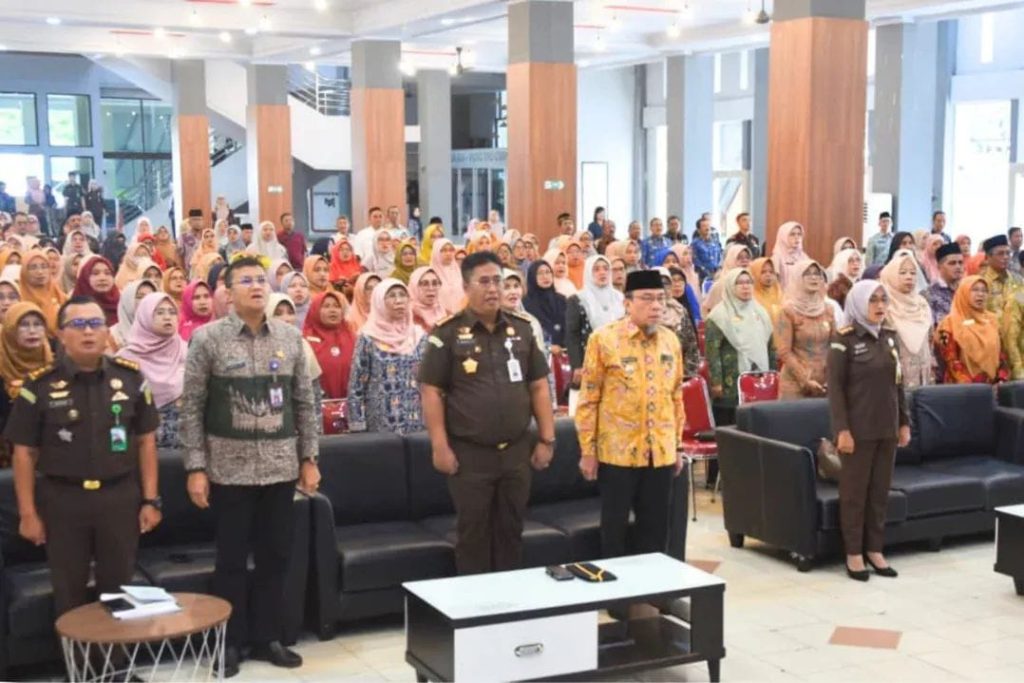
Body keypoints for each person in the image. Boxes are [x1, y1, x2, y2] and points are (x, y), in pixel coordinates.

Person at [180, 257, 319, 677]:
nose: (257, 286)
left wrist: (309, 458)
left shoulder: (290, 337)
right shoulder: (208, 339)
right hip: (229, 470)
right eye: (246, 280)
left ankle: (267, 636)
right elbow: (192, 408)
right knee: (231, 561)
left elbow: (305, 403)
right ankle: (230, 641)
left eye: (261, 279)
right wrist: (195, 467)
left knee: (276, 557)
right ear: (227, 291)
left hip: (280, 468)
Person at [5, 296, 161, 617]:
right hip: (63, 501)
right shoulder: (39, 385)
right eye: (78, 324)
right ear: (61, 335)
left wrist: (150, 500)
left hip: (119, 498)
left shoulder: (131, 378)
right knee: (69, 592)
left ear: (106, 331)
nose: (88, 331)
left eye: (95, 323)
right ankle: (73, 653)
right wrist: (28, 513)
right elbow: (24, 453)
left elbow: (146, 442)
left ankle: (115, 653)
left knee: (119, 592)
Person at [418, 252, 554, 574]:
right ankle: (475, 603)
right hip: (470, 455)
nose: (493, 289)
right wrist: (439, 446)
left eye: (497, 281)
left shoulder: (522, 329)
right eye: (484, 282)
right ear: (466, 287)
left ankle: (509, 601)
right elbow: (431, 392)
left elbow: (538, 386)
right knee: (473, 536)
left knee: (511, 531)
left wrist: (547, 439)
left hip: (517, 451)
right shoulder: (447, 333)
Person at [575, 269, 685, 559]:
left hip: (659, 451)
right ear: (627, 303)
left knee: (656, 532)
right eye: (647, 299)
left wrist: (677, 446)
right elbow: (588, 400)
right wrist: (588, 450)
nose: (656, 306)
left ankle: (652, 586)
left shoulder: (670, 341)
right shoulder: (604, 340)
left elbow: (676, 396)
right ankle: (616, 588)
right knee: (615, 531)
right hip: (618, 453)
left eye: (660, 299)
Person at [829, 280, 911, 581]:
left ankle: (875, 549)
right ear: (858, 303)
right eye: (872, 300)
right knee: (854, 494)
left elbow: (898, 384)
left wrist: (904, 422)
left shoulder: (889, 337)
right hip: (857, 430)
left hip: (887, 427)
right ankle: (853, 553)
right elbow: (835, 390)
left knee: (879, 492)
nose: (879, 306)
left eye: (883, 300)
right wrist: (842, 430)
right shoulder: (844, 339)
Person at [347, 279, 427, 434]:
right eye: (391, 296)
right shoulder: (368, 338)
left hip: (416, 424)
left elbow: (429, 382)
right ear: (379, 302)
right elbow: (356, 385)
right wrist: (357, 425)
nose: (399, 301)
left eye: (402, 295)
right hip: (380, 428)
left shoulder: (419, 337)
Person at [706, 268, 776, 425]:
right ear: (730, 286)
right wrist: (716, 382)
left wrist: (772, 374)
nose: (745, 287)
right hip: (730, 383)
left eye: (749, 282)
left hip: (759, 379)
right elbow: (712, 351)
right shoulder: (718, 316)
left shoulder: (761, 313)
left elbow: (770, 347)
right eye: (739, 283)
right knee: (732, 426)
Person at [118, 292, 187, 448]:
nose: (167, 317)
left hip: (184, 442)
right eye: (159, 313)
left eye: (172, 312)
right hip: (141, 441)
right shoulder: (125, 358)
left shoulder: (187, 351)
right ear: (145, 317)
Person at [0, 303, 53, 466]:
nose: (32, 331)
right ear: (10, 330)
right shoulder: (2, 368)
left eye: (37, 324)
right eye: (23, 325)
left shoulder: (57, 360)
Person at [935, 276, 1009, 384]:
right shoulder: (947, 325)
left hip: (993, 387)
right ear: (963, 292)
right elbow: (950, 360)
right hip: (961, 388)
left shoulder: (992, 320)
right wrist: (971, 386)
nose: (980, 294)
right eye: (975, 290)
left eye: (984, 291)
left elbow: (1001, 355)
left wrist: (1001, 379)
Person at [775, 260, 832, 399]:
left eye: (817, 274)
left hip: (824, 383)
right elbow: (784, 351)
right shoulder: (788, 311)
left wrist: (833, 375)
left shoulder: (828, 309)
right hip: (795, 385)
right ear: (798, 278)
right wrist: (805, 379)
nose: (813, 278)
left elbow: (835, 344)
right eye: (807, 274)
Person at [566, 256, 625, 388]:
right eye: (596, 269)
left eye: (605, 269)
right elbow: (572, 335)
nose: (602, 272)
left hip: (620, 358)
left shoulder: (620, 298)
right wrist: (577, 366)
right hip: (591, 360)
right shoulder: (578, 300)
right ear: (588, 273)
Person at [880, 250, 935, 389]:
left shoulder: (922, 304)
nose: (909, 277)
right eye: (903, 273)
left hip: (923, 374)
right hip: (893, 377)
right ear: (891, 275)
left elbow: (930, 339)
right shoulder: (884, 306)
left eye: (913, 273)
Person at [303, 291, 356, 399]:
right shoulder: (305, 340)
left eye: (337, 306)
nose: (333, 310)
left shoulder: (352, 337)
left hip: (349, 402)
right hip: (317, 402)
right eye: (326, 306)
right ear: (315, 310)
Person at [523, 260, 568, 352]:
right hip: (540, 352)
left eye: (548, 272)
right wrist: (548, 347)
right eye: (540, 273)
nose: (545, 276)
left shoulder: (562, 299)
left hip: (564, 350)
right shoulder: (526, 303)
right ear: (532, 277)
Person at [19, 251, 67, 335]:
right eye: (33, 268)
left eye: (44, 267)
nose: (40, 272)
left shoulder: (57, 293)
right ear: (24, 271)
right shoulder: (18, 297)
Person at [979, 234, 1024, 321]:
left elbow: (1022, 302)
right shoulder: (981, 282)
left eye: (1008, 253)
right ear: (988, 257)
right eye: (1000, 253)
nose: (1006, 257)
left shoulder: (1016, 280)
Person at [72, 256, 120, 327]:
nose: (102, 278)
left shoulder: (121, 305)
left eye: (107, 273)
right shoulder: (74, 308)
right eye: (95, 273)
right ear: (85, 277)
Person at [111, 279, 158, 350]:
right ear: (127, 301)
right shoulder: (113, 335)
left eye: (151, 297)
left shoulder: (163, 332)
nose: (146, 301)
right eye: (139, 297)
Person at [925, 243, 964, 326]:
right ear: (939, 266)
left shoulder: (967, 290)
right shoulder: (929, 293)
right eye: (952, 263)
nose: (958, 267)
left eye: (960, 263)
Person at [771, 221, 808, 290]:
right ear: (783, 236)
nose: (797, 237)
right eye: (792, 234)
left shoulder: (804, 257)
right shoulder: (777, 257)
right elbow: (774, 285)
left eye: (799, 234)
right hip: (784, 295)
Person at [409, 266, 446, 333]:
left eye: (435, 283)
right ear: (414, 287)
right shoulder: (408, 317)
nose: (431, 288)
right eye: (425, 284)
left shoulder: (445, 312)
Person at [691, 216, 722, 280]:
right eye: (704, 226)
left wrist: (719, 271)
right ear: (698, 230)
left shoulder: (715, 243)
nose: (707, 228)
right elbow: (696, 261)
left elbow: (719, 259)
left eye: (708, 226)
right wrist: (708, 273)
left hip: (717, 275)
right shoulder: (695, 244)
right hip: (702, 276)